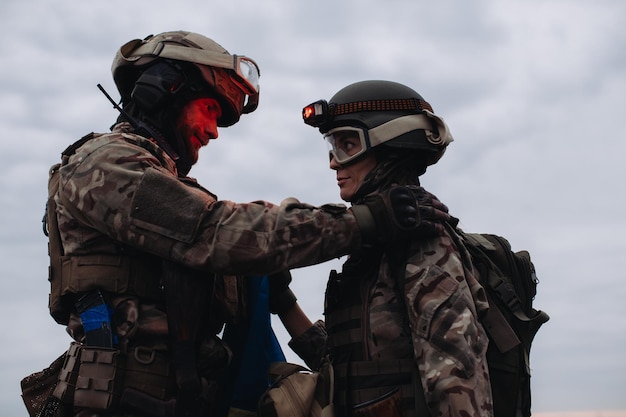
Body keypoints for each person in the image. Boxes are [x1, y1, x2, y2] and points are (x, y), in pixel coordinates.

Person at [22, 32, 451, 417]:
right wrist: (369, 219)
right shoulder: (104, 164)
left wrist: (280, 298)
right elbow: (216, 232)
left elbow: (240, 255)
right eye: (209, 109)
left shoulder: (174, 189)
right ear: (162, 92)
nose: (213, 131)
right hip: (119, 401)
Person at [274, 80, 494, 417]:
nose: (334, 163)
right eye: (332, 148)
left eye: (347, 145)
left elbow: (458, 384)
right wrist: (284, 303)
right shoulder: (372, 248)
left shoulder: (424, 241)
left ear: (390, 145)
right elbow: (347, 370)